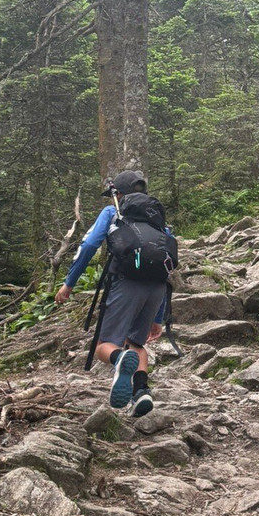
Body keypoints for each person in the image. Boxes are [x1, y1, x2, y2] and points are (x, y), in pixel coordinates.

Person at [55, 169, 171, 417]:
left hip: (125, 283)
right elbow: (165, 264)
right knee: (137, 343)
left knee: (103, 346)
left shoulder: (113, 213)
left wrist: (69, 283)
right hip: (156, 288)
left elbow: (88, 246)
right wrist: (158, 318)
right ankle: (141, 393)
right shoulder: (157, 219)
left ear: (117, 193)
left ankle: (119, 360)